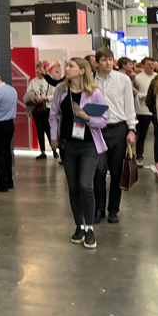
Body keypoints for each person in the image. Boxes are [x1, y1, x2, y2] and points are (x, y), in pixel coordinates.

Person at [49, 58, 109, 249]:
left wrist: (87, 117)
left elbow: (104, 120)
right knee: (73, 187)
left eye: (71, 66)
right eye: (67, 66)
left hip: (89, 146)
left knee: (85, 185)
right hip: (68, 145)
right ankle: (79, 225)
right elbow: (53, 115)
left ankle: (90, 228)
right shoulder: (61, 90)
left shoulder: (94, 93)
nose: (67, 69)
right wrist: (53, 137)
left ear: (82, 71)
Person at [93, 48, 137, 225]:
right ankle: (98, 209)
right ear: (97, 62)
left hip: (118, 128)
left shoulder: (123, 79)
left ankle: (113, 210)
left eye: (111, 59)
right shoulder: (91, 80)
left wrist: (132, 129)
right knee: (98, 171)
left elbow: (129, 105)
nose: (108, 63)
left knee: (117, 171)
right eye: (104, 60)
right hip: (97, 130)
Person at [24, 63, 56, 160]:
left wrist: (44, 98)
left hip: (48, 108)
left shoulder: (50, 81)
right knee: (39, 130)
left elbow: (55, 95)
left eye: (40, 70)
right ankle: (42, 151)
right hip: (37, 108)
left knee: (48, 129)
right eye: (37, 70)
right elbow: (29, 93)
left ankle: (54, 149)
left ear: (45, 70)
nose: (38, 72)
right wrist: (35, 98)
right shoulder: (33, 82)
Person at [134, 57, 156, 162]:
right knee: (142, 135)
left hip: (155, 110)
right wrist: (145, 96)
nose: (151, 66)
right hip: (143, 110)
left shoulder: (157, 77)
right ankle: (139, 155)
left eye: (152, 64)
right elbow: (135, 94)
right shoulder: (138, 78)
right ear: (143, 66)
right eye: (148, 64)